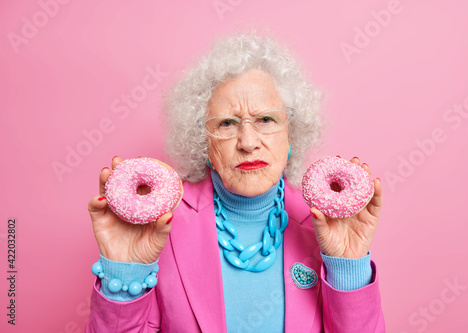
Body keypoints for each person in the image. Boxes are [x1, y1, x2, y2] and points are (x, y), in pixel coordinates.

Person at [86, 32, 385, 332]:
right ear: (204, 144)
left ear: (291, 135)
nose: (248, 142)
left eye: (266, 119)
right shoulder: (159, 226)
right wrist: (124, 276)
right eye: (227, 123)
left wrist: (348, 266)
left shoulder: (326, 226)